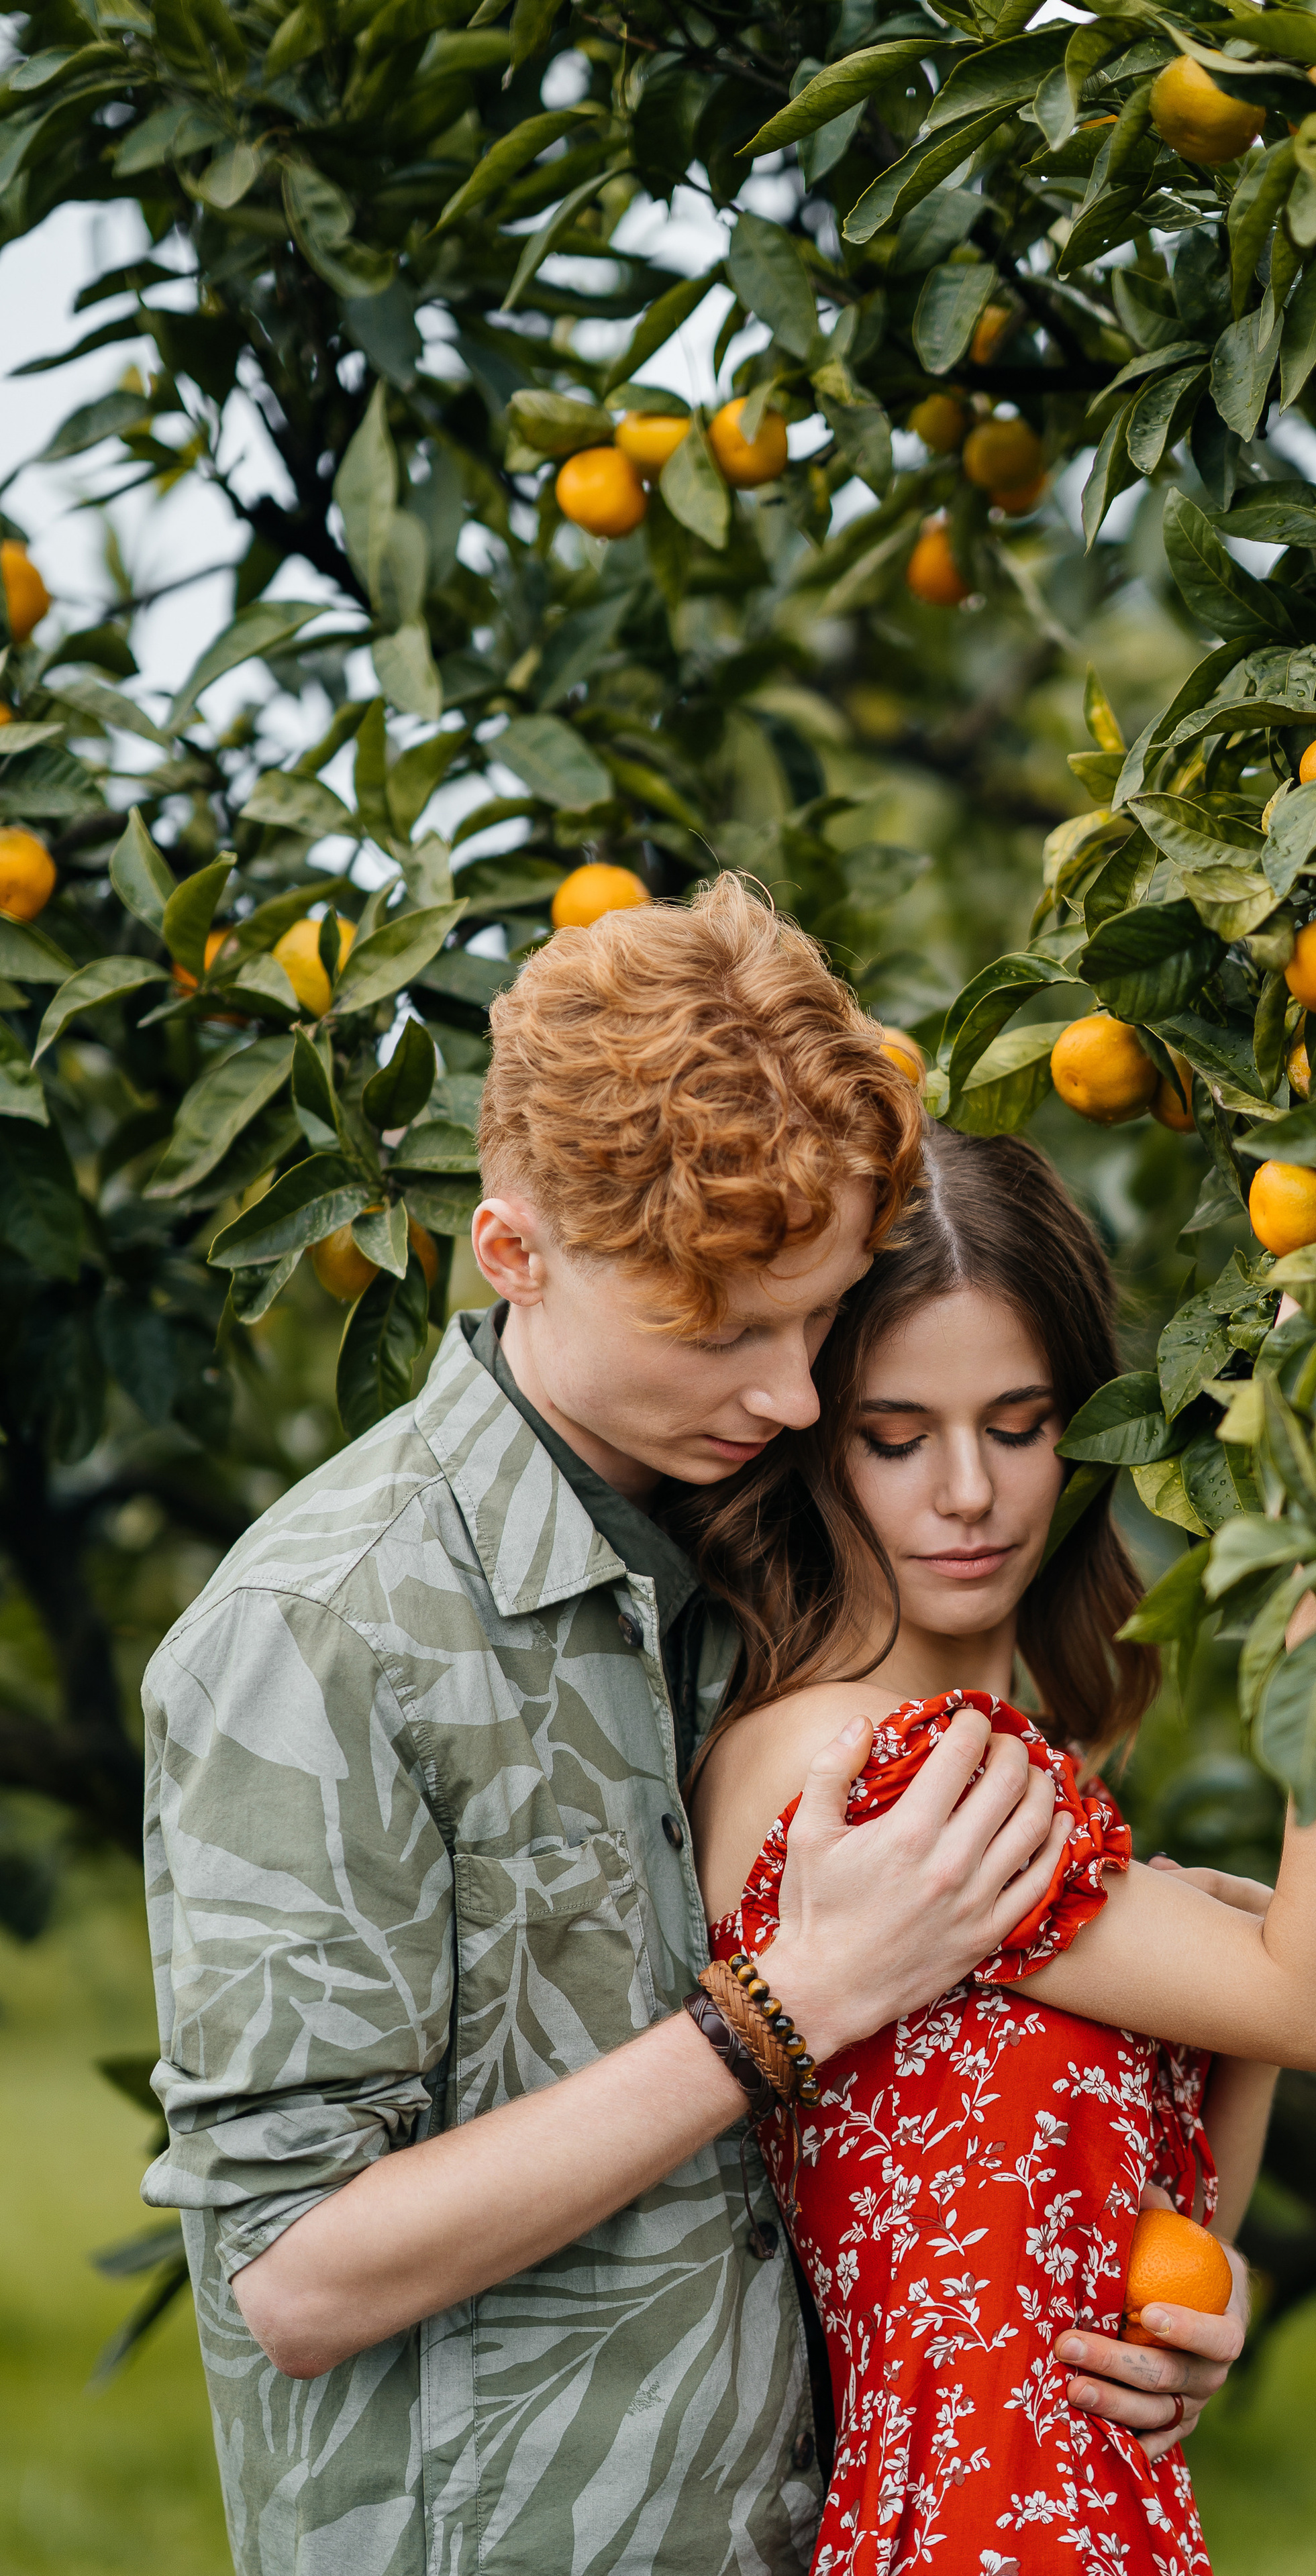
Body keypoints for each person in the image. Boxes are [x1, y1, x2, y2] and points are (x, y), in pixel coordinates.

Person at [139, 877, 1244, 2576]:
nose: (794, 1391)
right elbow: (296, 2279)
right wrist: (779, 2014)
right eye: (722, 1330)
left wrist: (1150, 2291)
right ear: (513, 1249)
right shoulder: (323, 1635)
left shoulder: (756, 1551)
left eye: (814, 1319)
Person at [686, 1122, 1316, 2574]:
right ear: (810, 1445)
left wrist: (1196, 2306)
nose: (965, 1493)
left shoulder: (999, 1768)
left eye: (1016, 1426)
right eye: (893, 1440)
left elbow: (1155, 2235)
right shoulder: (886, 1771)